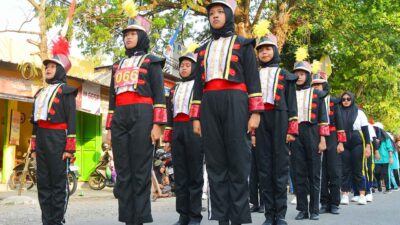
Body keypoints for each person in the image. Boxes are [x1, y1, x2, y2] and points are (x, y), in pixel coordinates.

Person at [190, 1, 264, 224]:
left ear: (229, 15)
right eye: (211, 13)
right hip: (209, 104)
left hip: (236, 102)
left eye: (220, 12)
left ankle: (239, 219)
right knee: (215, 162)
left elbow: (253, 79)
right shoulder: (202, 50)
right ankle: (221, 218)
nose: (215, 16)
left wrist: (256, 113)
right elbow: (197, 85)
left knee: (238, 161)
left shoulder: (243, 44)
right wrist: (195, 117)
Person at [105, 12, 167, 225]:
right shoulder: (117, 64)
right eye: (126, 34)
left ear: (141, 37)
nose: (128, 38)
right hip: (120, 117)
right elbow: (112, 99)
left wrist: (158, 124)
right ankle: (128, 219)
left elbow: (160, 95)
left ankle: (140, 219)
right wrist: (109, 128)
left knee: (141, 170)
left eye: (133, 34)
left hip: (143, 115)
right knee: (123, 171)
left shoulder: (152, 61)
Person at [30, 36, 77, 225]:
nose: (48, 69)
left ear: (59, 70)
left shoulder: (66, 91)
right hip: (41, 138)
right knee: (43, 183)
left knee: (58, 184)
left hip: (58, 139)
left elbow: (72, 120)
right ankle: (46, 220)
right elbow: (34, 122)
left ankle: (57, 220)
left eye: (52, 66)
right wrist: (33, 147)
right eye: (46, 67)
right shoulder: (40, 93)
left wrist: (69, 147)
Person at [254, 34, 298, 225]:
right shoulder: (253, 75)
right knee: (264, 169)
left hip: (280, 119)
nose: (264, 52)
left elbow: (293, 105)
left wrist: (291, 129)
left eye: (268, 49)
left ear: (275, 51)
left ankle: (280, 215)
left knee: (280, 169)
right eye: (261, 50)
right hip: (260, 120)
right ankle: (268, 215)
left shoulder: (285, 74)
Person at [163, 52, 204, 225]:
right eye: (182, 66)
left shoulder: (200, 86)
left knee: (194, 174)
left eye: (188, 65)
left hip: (194, 129)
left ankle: (195, 216)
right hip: (178, 130)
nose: (184, 68)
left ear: (194, 67)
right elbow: (169, 115)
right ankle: (183, 215)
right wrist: (167, 138)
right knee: (180, 176)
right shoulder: (174, 89)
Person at [292, 60, 329, 221]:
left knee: (314, 172)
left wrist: (323, 140)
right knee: (298, 173)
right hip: (295, 133)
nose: (299, 77)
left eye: (302, 74)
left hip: (313, 132)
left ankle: (314, 209)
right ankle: (302, 209)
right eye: (296, 74)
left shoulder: (317, 94)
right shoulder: (290, 93)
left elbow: (323, 118)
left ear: (307, 75)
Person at [311, 72, 346, 215]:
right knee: (321, 172)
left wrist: (341, 142)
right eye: (314, 85)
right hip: (316, 137)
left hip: (332, 137)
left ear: (324, 85)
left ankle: (334, 203)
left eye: (319, 84)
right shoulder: (310, 100)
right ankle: (324, 202)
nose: (317, 87)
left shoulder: (333, 101)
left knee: (334, 171)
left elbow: (340, 123)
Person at [339, 91, 371, 205]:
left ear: (352, 100)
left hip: (357, 142)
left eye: (348, 99)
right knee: (345, 169)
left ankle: (362, 194)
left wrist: (368, 146)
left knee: (358, 169)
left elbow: (366, 131)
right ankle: (345, 194)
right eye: (343, 99)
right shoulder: (338, 111)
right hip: (343, 142)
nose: (346, 101)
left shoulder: (359, 113)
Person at [373, 123, 394, 193]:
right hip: (376, 159)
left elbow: (390, 148)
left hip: (385, 159)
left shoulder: (386, 138)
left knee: (385, 174)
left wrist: (391, 157)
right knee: (377, 173)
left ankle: (388, 188)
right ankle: (378, 184)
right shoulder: (373, 137)